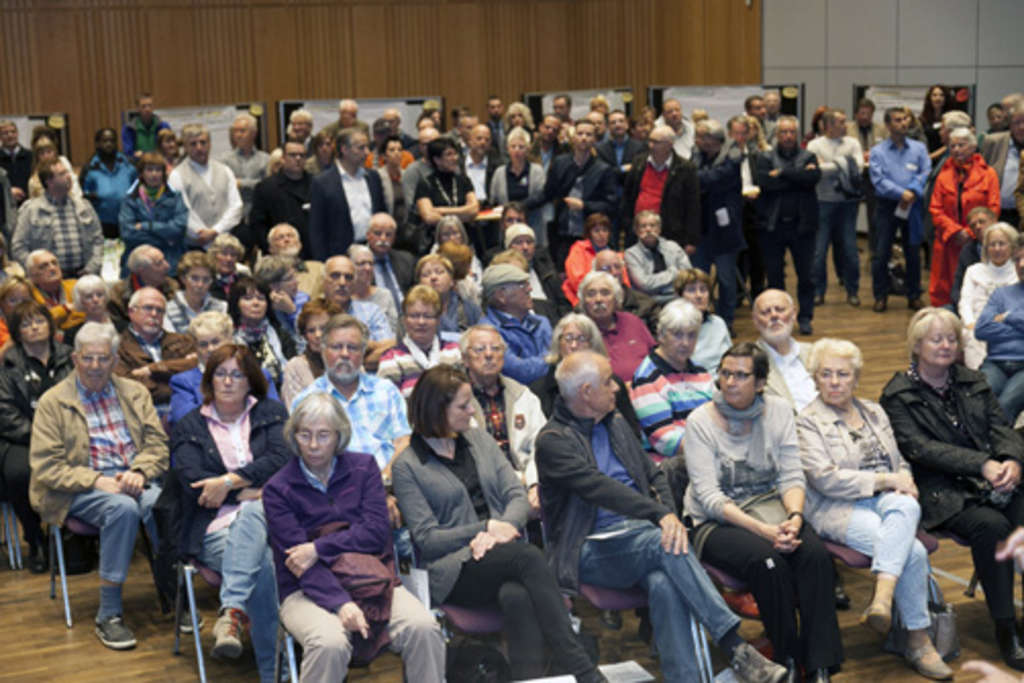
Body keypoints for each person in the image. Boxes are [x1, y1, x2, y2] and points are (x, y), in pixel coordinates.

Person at [536, 350, 787, 683]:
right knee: (663, 543)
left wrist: (669, 516)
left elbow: (654, 476)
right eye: (608, 382)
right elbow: (599, 488)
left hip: (641, 537)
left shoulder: (615, 423)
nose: (617, 388)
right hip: (588, 549)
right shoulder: (553, 442)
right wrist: (660, 517)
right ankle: (734, 645)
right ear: (585, 392)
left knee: (664, 581)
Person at [392, 365, 605, 683]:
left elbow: (516, 495)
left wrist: (502, 528)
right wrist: (485, 529)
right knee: (529, 556)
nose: (471, 412)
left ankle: (527, 679)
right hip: (452, 569)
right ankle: (580, 667)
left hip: (501, 555)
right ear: (438, 411)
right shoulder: (408, 466)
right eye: (463, 406)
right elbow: (427, 539)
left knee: (517, 597)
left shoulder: (478, 439)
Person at [684, 343, 843, 680]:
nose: (730, 382)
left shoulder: (780, 411)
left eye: (741, 375)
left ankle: (820, 664)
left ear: (759, 383)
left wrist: (796, 519)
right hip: (716, 521)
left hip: (773, 508)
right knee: (768, 563)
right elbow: (710, 498)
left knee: (815, 555)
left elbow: (791, 475)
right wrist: (768, 534)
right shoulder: (700, 421)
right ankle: (786, 659)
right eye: (726, 373)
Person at [798, 338, 952, 680]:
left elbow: (899, 462)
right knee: (910, 550)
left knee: (904, 506)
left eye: (843, 374)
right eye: (826, 374)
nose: (835, 382)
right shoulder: (807, 422)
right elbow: (825, 480)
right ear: (815, 378)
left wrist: (906, 483)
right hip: (837, 507)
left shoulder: (874, 411)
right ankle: (917, 640)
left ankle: (883, 600)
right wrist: (888, 480)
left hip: (888, 501)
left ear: (856, 378)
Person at [263, 392, 445, 683]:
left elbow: (375, 533)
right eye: (304, 435)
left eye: (323, 435)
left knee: (424, 628)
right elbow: (298, 564)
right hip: (306, 590)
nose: (312, 445)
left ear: (339, 436)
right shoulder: (278, 488)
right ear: (293, 436)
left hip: (372, 578)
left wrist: (318, 547)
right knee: (329, 644)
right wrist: (340, 603)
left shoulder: (364, 468)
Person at [881, 307, 1024, 670]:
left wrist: (1011, 460)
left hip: (990, 480)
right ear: (916, 345)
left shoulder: (972, 380)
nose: (946, 345)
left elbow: (1001, 426)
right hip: (941, 491)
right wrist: (981, 464)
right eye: (936, 339)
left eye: (951, 339)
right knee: (991, 527)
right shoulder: (899, 394)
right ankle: (1006, 627)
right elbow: (921, 449)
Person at [29, 321, 168, 650]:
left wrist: (140, 470)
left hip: (131, 478)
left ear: (115, 359)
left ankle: (174, 593)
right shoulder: (53, 402)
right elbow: (47, 467)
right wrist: (97, 480)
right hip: (76, 488)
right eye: (87, 358)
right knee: (121, 508)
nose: (95, 366)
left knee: (161, 505)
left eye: (103, 359)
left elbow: (158, 446)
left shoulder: (134, 392)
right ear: (75, 358)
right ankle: (109, 613)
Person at [171, 344, 286, 681]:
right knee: (263, 567)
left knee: (260, 523)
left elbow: (283, 461)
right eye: (220, 373)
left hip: (274, 519)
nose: (228, 381)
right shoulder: (190, 425)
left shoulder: (273, 413)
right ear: (209, 380)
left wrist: (229, 483)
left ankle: (232, 612)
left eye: (237, 374)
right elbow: (195, 485)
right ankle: (272, 670)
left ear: (251, 381)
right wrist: (252, 489)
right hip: (214, 527)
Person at [0, 301, 73, 573]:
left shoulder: (70, 356)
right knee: (19, 473)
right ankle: (35, 539)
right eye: (26, 324)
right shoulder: (7, 363)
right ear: (18, 332)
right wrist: (41, 437)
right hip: (22, 438)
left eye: (39, 321)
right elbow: (4, 411)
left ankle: (74, 536)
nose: (34, 327)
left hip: (69, 433)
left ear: (50, 324)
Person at [459, 324, 545, 512]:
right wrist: (513, 480)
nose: (489, 354)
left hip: (527, 485)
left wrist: (534, 484)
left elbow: (541, 447)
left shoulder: (524, 395)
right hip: (479, 493)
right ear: (465, 359)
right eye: (480, 349)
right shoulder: (454, 401)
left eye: (496, 348)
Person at [755, 115, 821, 335]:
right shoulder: (765, 157)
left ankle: (805, 317)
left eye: (792, 132)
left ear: (797, 134)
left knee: (807, 275)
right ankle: (779, 318)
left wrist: (782, 173)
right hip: (773, 227)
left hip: (802, 226)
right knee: (774, 276)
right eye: (783, 132)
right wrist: (799, 176)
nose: (788, 136)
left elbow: (812, 179)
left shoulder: (809, 155)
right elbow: (767, 184)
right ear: (776, 135)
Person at [529, 312, 641, 437]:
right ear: (558, 343)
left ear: (593, 345)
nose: (574, 346)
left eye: (582, 339)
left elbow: (632, 432)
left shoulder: (612, 384)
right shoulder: (540, 390)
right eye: (568, 338)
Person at [629, 300, 713, 458]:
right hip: (671, 465)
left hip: (706, 454)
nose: (685, 343)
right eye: (677, 334)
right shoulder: (647, 378)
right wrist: (716, 447)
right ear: (660, 335)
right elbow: (664, 440)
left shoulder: (700, 372)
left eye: (692, 335)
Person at [928, 128, 1000, 307]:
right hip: (948, 240)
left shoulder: (988, 174)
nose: (957, 149)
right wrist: (955, 231)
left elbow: (993, 208)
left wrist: (970, 232)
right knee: (942, 286)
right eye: (952, 146)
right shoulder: (943, 175)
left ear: (973, 146)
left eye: (962, 144)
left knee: (976, 286)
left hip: (977, 241)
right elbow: (935, 208)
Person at [168, 311, 280, 427]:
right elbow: (185, 421)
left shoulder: (260, 375)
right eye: (203, 344)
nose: (210, 349)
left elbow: (275, 414)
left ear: (230, 340)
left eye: (215, 342)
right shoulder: (183, 382)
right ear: (195, 347)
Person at [870, 107, 931, 312]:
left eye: (905, 119)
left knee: (913, 251)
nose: (903, 123)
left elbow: (925, 172)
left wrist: (911, 191)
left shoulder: (919, 148)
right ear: (888, 125)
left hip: (913, 205)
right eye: (897, 120)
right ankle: (880, 295)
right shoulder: (878, 151)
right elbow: (878, 180)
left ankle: (914, 295)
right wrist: (900, 193)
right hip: (887, 205)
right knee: (881, 253)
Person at [806, 108, 864, 307]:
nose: (845, 125)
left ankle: (852, 291)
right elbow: (815, 171)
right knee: (819, 252)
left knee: (850, 250)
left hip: (847, 204)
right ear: (828, 125)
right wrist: (843, 164)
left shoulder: (853, 143)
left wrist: (829, 165)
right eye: (841, 121)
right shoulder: (815, 144)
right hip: (822, 202)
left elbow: (858, 167)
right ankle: (818, 292)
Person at [542, 118, 617, 269]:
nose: (584, 137)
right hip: (563, 233)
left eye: (589, 134)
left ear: (594, 139)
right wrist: (521, 205)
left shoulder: (604, 169)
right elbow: (546, 194)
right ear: (573, 137)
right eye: (580, 133)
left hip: (591, 235)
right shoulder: (560, 163)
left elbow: (611, 205)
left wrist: (584, 205)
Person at [114, 287, 198, 418]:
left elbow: (196, 370)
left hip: (186, 411)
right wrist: (177, 382)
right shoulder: (116, 347)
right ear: (131, 312)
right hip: (141, 415)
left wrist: (153, 369)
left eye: (160, 310)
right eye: (148, 308)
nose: (154, 314)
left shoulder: (183, 341)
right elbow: (127, 387)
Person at [13, 158, 103, 277]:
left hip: (83, 276)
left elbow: (98, 240)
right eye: (62, 174)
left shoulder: (84, 207)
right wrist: (39, 269)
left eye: (67, 172)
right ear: (49, 181)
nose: (69, 176)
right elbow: (18, 247)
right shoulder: (31, 210)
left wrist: (92, 267)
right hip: (46, 281)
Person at [621, 124, 701, 254]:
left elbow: (693, 207)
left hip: (670, 233)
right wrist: (627, 223)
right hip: (637, 232)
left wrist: (691, 240)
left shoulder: (686, 168)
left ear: (670, 144)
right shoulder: (639, 162)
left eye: (656, 142)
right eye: (650, 140)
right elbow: (628, 196)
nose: (650, 145)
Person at [308, 127, 385, 260]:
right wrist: (322, 260)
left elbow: (381, 213)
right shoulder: (323, 182)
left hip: (373, 251)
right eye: (361, 148)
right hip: (340, 254)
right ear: (344, 149)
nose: (367, 153)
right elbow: (317, 228)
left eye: (367, 147)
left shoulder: (373, 177)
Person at [377, 285, 462, 398]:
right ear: (405, 320)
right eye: (414, 316)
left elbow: (463, 396)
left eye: (427, 316)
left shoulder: (454, 352)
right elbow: (388, 404)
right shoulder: (391, 358)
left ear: (438, 320)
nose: (421, 322)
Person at [167, 123, 243, 250]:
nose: (199, 147)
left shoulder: (225, 170)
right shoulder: (176, 175)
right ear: (185, 147)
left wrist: (215, 231)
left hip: (225, 243)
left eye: (203, 142)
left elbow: (236, 206)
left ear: (210, 144)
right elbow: (182, 212)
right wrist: (202, 234)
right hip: (195, 245)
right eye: (193, 144)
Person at [975, 237, 1024, 421]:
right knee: (979, 399)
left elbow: (993, 327)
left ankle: (1001, 449)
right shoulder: (1001, 293)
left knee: (1005, 404)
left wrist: (1008, 317)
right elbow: (981, 329)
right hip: (995, 363)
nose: (1022, 264)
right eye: (1017, 260)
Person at [118, 152, 188, 276]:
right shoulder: (130, 199)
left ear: (164, 173)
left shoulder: (175, 197)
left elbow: (178, 229)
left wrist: (147, 226)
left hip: (169, 265)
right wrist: (166, 238)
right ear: (141, 173)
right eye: (149, 170)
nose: (154, 174)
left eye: (158, 170)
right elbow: (128, 233)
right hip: (138, 265)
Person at [959, 223, 1018, 369]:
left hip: (1008, 326)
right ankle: (979, 378)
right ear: (986, 248)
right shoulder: (973, 271)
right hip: (976, 325)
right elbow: (965, 302)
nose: (997, 249)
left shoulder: (1019, 272)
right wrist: (970, 322)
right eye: (992, 244)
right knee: (972, 336)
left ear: (1012, 246)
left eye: (1002, 244)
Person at [578, 270, 654, 383]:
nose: (598, 299)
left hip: (648, 389)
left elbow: (654, 356)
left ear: (616, 299)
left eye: (605, 293)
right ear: (583, 302)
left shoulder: (632, 321)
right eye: (591, 294)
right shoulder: (579, 331)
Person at [228, 275, 295, 389]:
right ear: (236, 304)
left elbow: (294, 367)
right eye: (248, 298)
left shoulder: (280, 333)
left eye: (261, 298)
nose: (256, 303)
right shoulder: (229, 337)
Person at [249, 140, 312, 257]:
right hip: (278, 256)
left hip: (312, 252)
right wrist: (270, 249)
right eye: (293, 155)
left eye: (302, 155)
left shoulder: (317, 185)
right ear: (282, 158)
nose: (298, 158)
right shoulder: (266, 187)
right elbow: (257, 225)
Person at [414, 137, 480, 247]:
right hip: (436, 240)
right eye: (449, 155)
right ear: (437, 160)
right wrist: (462, 215)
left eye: (455, 154)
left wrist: (441, 210)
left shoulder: (463, 180)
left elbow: (473, 210)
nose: (454, 158)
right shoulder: (425, 183)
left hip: (464, 239)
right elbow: (429, 217)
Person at [280, 299, 339, 409]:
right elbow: (296, 414)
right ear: (305, 335)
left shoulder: (350, 360)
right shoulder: (295, 367)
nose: (318, 335)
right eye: (311, 330)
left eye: (324, 328)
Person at [80, 128, 137, 239]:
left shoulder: (128, 165)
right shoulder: (89, 168)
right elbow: (84, 198)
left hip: (128, 222)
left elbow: (138, 191)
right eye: (105, 141)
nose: (109, 144)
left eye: (112, 141)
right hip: (101, 225)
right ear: (97, 144)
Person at [489, 127, 547, 235]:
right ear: (507, 149)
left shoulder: (537, 170)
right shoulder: (499, 172)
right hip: (507, 230)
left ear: (528, 149)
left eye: (521, 147)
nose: (517, 150)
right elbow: (494, 200)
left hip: (533, 226)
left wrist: (517, 209)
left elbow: (541, 196)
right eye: (513, 146)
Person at [624, 210, 692, 302]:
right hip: (649, 302)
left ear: (659, 229)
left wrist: (657, 283)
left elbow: (688, 274)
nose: (648, 229)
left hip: (677, 298)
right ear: (637, 231)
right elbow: (644, 284)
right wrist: (674, 272)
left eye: (652, 225)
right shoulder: (631, 254)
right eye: (643, 226)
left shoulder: (673, 247)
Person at [674, 268, 731, 377]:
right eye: (691, 290)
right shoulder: (674, 329)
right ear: (679, 296)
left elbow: (732, 357)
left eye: (703, 289)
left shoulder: (718, 323)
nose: (699, 295)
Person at [563, 213, 625, 306]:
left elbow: (624, 282)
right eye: (596, 231)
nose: (601, 235)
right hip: (582, 298)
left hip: (612, 299)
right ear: (589, 234)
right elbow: (577, 282)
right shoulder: (579, 249)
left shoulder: (615, 255)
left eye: (605, 230)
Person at [416, 252, 481, 341]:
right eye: (426, 275)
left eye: (439, 272)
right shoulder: (412, 312)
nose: (433, 277)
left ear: (451, 281)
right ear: (419, 284)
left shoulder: (470, 308)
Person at [980, 102, 1024, 229]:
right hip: (997, 214)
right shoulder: (993, 142)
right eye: (1016, 122)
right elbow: (979, 176)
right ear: (1009, 124)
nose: (1021, 127)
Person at [219, 113, 269, 223]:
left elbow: (267, 187)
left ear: (254, 133)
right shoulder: (224, 160)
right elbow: (224, 187)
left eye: (242, 131)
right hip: (233, 217)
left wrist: (241, 183)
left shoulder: (265, 159)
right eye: (235, 131)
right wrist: (254, 184)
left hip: (259, 215)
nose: (238, 135)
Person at [164, 250, 227, 334]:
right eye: (194, 278)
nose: (200, 284)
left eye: (206, 279)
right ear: (183, 278)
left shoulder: (221, 307)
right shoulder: (167, 309)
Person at [951, 206, 999, 311]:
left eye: (982, 222)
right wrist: (964, 307)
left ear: (994, 221)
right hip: (971, 304)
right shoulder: (967, 251)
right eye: (973, 225)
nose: (978, 227)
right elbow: (957, 287)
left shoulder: (1012, 245)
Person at [254, 255, 309, 343]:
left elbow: (311, 340)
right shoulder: (260, 311)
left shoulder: (304, 299)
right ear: (273, 286)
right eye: (290, 278)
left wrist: (292, 312)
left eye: (295, 276)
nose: (297, 281)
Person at [348, 243, 399, 333]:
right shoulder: (344, 297)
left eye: (371, 263)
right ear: (350, 267)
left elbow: (395, 332)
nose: (368, 268)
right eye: (362, 263)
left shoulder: (385, 295)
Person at [63, 274, 121, 349]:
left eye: (100, 295)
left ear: (106, 297)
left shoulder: (123, 327)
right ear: (80, 301)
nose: (96, 300)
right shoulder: (72, 334)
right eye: (89, 297)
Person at [121, 93, 171, 159]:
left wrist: (143, 154)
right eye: (143, 106)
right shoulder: (129, 128)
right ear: (137, 108)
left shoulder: (163, 126)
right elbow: (128, 153)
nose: (147, 109)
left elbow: (169, 149)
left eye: (150, 105)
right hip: (138, 165)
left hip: (160, 163)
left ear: (153, 107)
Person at [209, 233, 250, 300]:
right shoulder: (206, 280)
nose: (229, 259)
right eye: (224, 253)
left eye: (233, 255)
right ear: (214, 255)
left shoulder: (244, 281)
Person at [920, 86, 951, 155]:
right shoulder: (922, 119)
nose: (938, 98)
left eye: (941, 95)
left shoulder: (951, 118)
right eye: (934, 95)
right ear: (929, 98)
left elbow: (951, 143)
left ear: (946, 98)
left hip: (945, 157)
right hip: (926, 155)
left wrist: (931, 156)